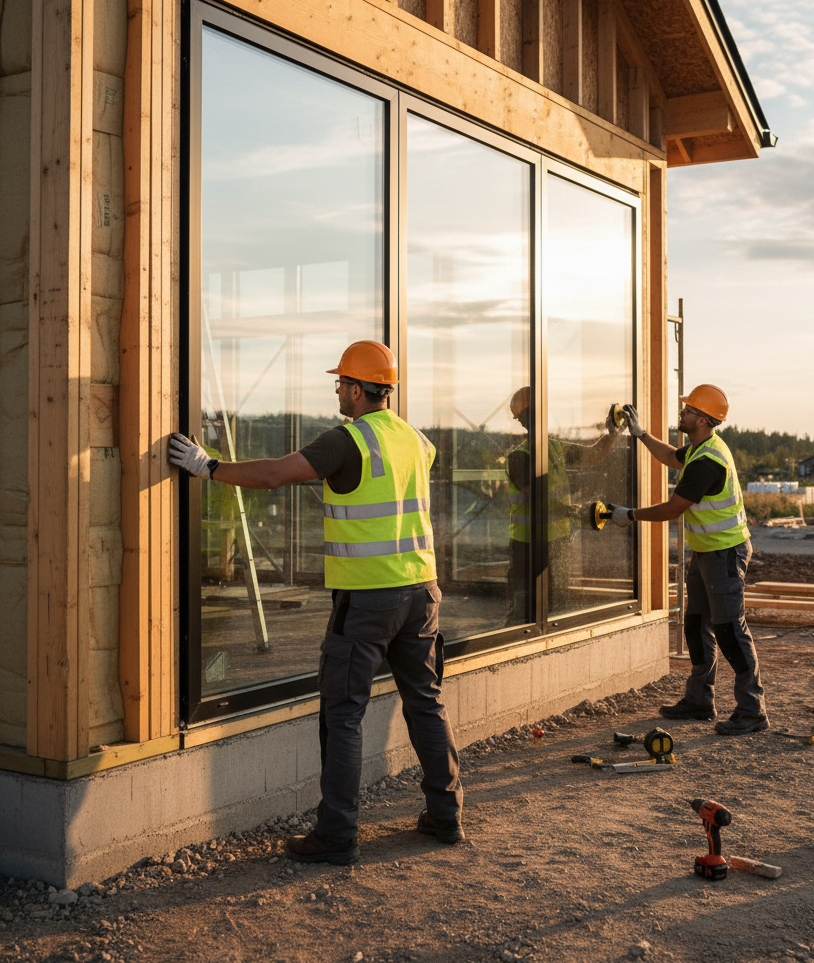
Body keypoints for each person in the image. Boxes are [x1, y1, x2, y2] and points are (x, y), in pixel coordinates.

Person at [168, 340, 463, 864]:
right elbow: (386, 486)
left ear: (357, 388)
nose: (337, 393)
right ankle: (446, 815)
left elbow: (275, 474)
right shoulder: (416, 440)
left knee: (343, 714)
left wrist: (208, 466)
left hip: (369, 600)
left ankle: (337, 835)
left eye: (340, 385)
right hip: (422, 594)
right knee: (425, 701)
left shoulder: (346, 440)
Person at [609, 385, 768, 736]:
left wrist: (628, 515)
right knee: (696, 625)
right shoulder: (699, 449)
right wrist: (641, 435)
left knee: (729, 630)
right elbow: (670, 457)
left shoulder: (708, 461)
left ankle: (752, 710)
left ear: (701, 419)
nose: (681, 414)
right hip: (707, 552)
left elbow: (672, 509)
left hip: (725, 553)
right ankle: (699, 701)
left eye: (686, 411)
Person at [505, 388, 624, 619]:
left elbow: (594, 454)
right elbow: (538, 498)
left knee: (554, 604)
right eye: (533, 412)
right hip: (528, 545)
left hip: (557, 541)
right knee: (525, 610)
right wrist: (575, 511)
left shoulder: (555, 447)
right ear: (524, 419)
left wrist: (613, 433)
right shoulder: (519, 457)